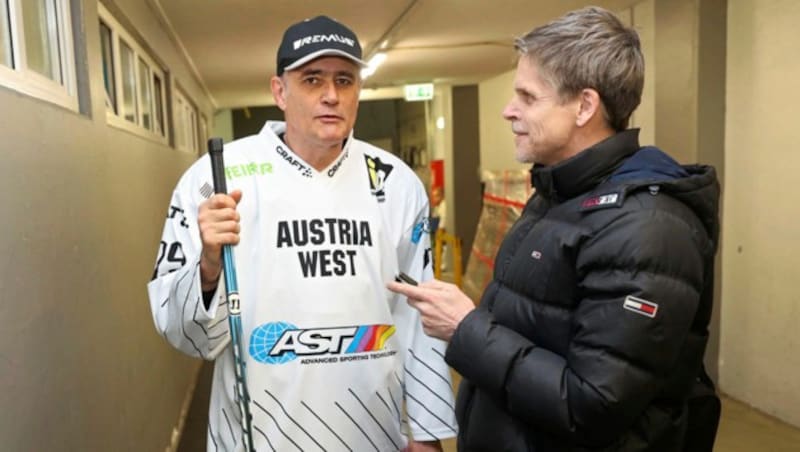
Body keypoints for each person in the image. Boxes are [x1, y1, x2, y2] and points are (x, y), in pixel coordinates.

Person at [388, 6, 720, 451]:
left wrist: (465, 327)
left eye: (527, 97)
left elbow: (593, 404)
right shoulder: (556, 196)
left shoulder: (647, 229)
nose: (509, 111)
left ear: (584, 106)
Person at [148, 15, 456, 452]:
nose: (331, 95)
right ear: (280, 91)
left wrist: (427, 433)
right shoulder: (214, 179)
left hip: (372, 433)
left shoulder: (395, 183)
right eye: (312, 79)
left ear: (358, 91)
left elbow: (420, 317)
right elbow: (185, 335)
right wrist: (208, 265)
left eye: (344, 80)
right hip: (259, 435)